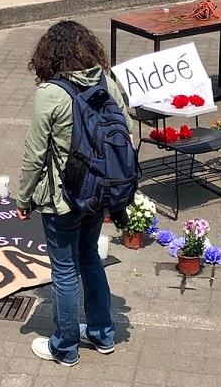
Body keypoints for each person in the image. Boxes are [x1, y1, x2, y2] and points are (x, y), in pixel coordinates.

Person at [15, 21, 133, 367]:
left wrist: (23, 200)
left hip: (62, 198)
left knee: (65, 271)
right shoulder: (106, 81)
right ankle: (102, 334)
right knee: (90, 259)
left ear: (48, 56)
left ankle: (64, 347)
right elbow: (124, 130)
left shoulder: (50, 93)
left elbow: (34, 154)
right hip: (98, 193)